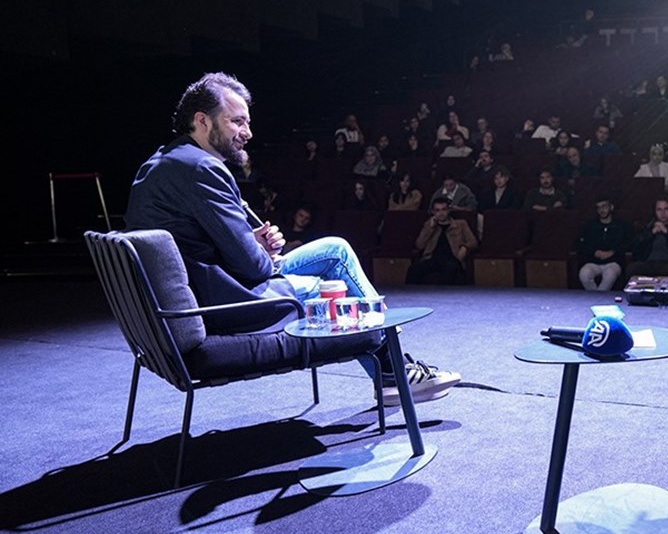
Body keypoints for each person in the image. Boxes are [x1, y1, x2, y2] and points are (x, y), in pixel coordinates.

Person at [125, 73, 459, 404]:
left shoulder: (160, 163)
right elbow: (255, 269)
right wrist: (258, 250)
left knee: (336, 250)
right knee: (329, 289)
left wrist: (249, 240)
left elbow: (193, 241)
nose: (248, 133)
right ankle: (395, 371)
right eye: (237, 122)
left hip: (204, 288)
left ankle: (391, 369)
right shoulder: (203, 169)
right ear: (202, 121)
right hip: (226, 300)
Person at [406, 197, 478, 285]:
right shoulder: (429, 225)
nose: (441, 213)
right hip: (432, 259)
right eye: (437, 210)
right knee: (414, 269)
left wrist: (465, 247)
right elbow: (419, 245)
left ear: (448, 211)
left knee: (450, 268)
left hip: (453, 259)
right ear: (433, 212)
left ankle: (444, 298)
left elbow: (473, 242)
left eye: (444, 209)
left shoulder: (461, 224)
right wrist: (430, 228)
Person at [576, 196, 633, 291]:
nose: (601, 210)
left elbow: (628, 244)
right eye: (598, 207)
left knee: (610, 274)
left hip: (613, 262)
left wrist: (612, 252)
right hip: (593, 261)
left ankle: (596, 300)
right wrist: (594, 252)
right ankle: (597, 299)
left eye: (604, 206)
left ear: (611, 207)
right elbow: (581, 244)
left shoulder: (621, 225)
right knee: (584, 274)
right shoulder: (590, 226)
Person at [624, 197, 668, 278]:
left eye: (666, 209)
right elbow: (635, 246)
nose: (663, 213)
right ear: (654, 211)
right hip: (647, 263)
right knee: (631, 269)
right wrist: (651, 233)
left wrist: (666, 232)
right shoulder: (646, 227)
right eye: (659, 209)